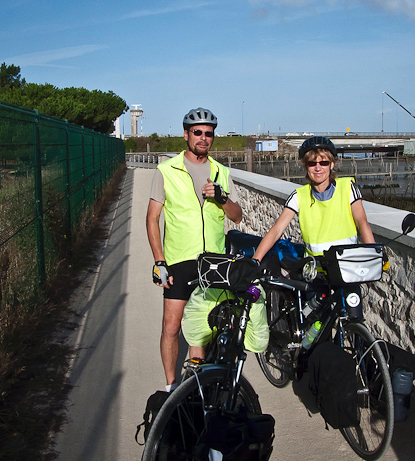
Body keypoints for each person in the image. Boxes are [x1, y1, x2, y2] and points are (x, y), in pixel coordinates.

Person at [146, 107, 243, 392]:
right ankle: (170, 387)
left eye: (209, 134)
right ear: (186, 134)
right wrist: (159, 261)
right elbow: (152, 218)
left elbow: (237, 216)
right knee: (172, 327)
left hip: (213, 263)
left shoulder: (221, 172)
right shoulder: (166, 170)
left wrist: (222, 197)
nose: (203, 138)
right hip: (178, 260)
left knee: (200, 330)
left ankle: (196, 389)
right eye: (197, 132)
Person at [252, 135, 375, 263]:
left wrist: (373, 257)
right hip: (315, 272)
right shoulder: (298, 196)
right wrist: (255, 261)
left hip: (348, 269)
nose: (318, 168)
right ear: (305, 166)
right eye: (312, 163)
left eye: (324, 163)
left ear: (332, 165)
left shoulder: (347, 188)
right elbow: (277, 230)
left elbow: (362, 222)